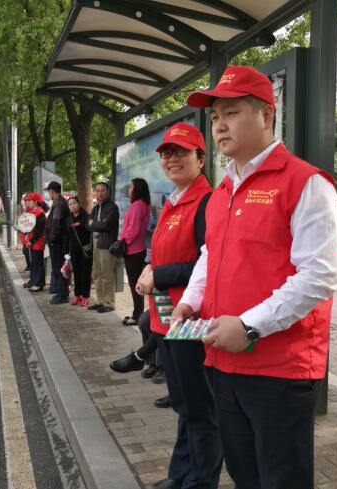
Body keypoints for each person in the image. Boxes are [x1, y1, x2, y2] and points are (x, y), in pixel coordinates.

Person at [173, 65, 337, 489]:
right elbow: (211, 253)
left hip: (279, 369)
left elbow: (320, 275)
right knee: (244, 473)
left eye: (231, 113)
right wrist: (191, 299)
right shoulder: (222, 192)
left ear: (267, 115)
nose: (219, 125)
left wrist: (249, 325)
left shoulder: (306, 183)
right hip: (221, 358)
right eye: (215, 117)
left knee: (281, 478)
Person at [126, 122, 220, 489]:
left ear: (201, 158)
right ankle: (181, 474)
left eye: (181, 151)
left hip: (190, 320)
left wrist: (159, 275)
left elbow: (208, 264)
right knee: (184, 404)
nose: (172, 158)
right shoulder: (174, 200)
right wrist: (150, 269)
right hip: (167, 318)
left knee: (199, 407)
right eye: (166, 153)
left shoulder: (207, 203)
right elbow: (166, 253)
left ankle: (199, 480)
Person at [120, 178, 151, 325]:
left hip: (132, 250)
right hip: (138, 249)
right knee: (136, 284)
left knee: (134, 285)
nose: (129, 189)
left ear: (137, 189)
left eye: (131, 187)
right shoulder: (144, 204)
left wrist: (123, 242)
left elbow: (133, 229)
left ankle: (137, 316)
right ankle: (137, 314)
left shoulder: (137, 205)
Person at [87, 182, 119, 313]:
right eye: (97, 190)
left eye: (102, 190)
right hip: (95, 242)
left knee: (107, 274)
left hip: (106, 244)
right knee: (96, 273)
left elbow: (106, 226)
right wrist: (96, 224)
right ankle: (100, 301)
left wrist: (94, 224)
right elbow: (87, 225)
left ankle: (109, 303)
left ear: (108, 192)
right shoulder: (96, 207)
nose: (99, 193)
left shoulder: (112, 207)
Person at [45, 181, 70, 305]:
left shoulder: (59, 202)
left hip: (58, 241)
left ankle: (63, 294)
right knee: (58, 268)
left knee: (59, 268)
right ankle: (61, 292)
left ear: (52, 191)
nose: (49, 194)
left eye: (49, 192)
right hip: (59, 240)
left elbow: (56, 222)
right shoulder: (59, 201)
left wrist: (52, 239)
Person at [67, 196, 93, 307]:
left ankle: (85, 296)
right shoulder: (69, 219)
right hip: (73, 251)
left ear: (78, 203)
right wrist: (67, 251)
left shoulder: (86, 217)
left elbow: (90, 233)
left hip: (85, 251)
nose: (72, 206)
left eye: (74, 203)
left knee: (85, 274)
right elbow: (68, 236)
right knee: (76, 274)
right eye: (70, 204)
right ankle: (77, 295)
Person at [23, 193, 48, 293]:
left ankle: (39, 284)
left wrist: (32, 241)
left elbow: (39, 230)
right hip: (31, 242)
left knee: (38, 263)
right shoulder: (31, 212)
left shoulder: (40, 213)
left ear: (35, 202)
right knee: (33, 263)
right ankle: (33, 281)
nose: (27, 202)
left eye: (29, 200)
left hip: (37, 242)